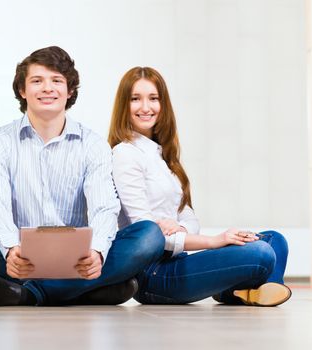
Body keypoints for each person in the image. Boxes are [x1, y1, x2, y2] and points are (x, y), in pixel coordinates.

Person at [0, 46, 165, 306]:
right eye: (37, 81)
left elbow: (104, 207)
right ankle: (85, 291)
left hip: (78, 258)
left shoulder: (93, 144)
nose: (47, 88)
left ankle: (31, 294)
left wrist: (96, 252)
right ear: (22, 90)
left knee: (150, 236)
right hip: (21, 257)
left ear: (70, 90)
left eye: (57, 81)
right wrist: (10, 250)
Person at [108, 66, 291, 306]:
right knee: (261, 253)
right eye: (135, 99)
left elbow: (190, 218)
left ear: (163, 105)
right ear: (124, 105)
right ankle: (243, 290)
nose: (145, 107)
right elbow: (145, 235)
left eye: (153, 98)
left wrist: (177, 227)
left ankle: (242, 294)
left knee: (274, 241)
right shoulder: (125, 154)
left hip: (177, 259)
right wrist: (215, 240)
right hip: (152, 274)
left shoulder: (165, 157)